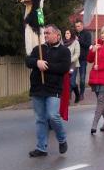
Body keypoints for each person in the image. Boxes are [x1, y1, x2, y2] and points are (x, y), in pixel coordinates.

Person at [25, 24, 70, 157]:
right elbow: (28, 61)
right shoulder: (38, 49)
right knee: (40, 119)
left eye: (48, 33)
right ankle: (41, 147)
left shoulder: (64, 51)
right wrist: (37, 62)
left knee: (52, 115)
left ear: (57, 34)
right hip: (37, 88)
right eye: (44, 33)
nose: (45, 36)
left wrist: (46, 66)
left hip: (53, 88)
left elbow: (64, 68)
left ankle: (62, 139)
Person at [74, 20, 92, 101]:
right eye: (76, 26)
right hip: (74, 59)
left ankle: (81, 94)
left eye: (78, 26)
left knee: (82, 78)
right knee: (72, 78)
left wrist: (79, 40)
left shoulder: (87, 33)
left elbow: (88, 45)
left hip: (83, 59)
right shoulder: (74, 33)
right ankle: (73, 94)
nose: (77, 28)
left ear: (82, 25)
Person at [63, 29, 81, 103]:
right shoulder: (62, 42)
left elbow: (77, 54)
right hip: (65, 65)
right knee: (66, 82)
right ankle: (68, 98)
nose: (66, 35)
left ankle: (76, 95)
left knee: (72, 82)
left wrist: (70, 60)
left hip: (73, 65)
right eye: (65, 33)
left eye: (68, 33)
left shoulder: (75, 42)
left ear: (71, 34)